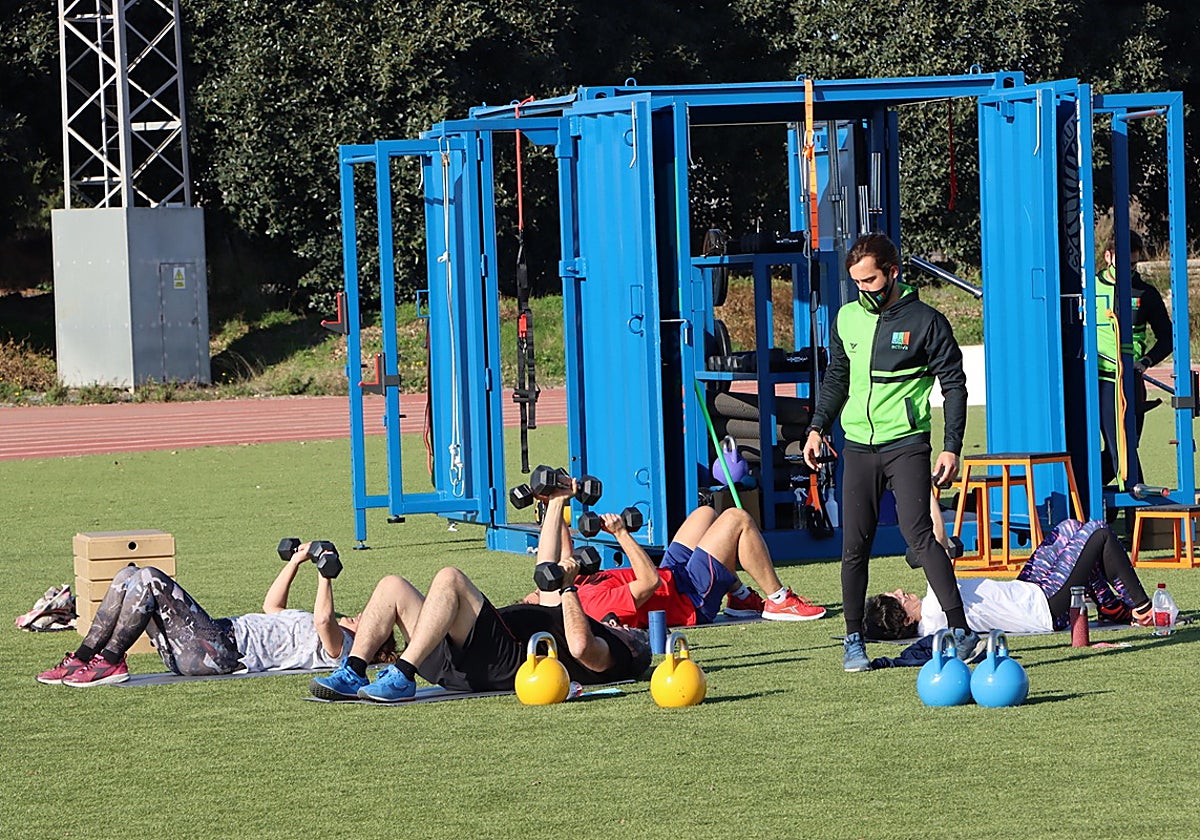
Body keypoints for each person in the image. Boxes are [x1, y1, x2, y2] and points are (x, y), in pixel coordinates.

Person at [802, 232, 975, 672]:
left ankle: (961, 630)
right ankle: (853, 640)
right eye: (857, 283)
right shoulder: (845, 319)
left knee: (920, 536)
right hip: (857, 446)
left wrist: (951, 447)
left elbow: (954, 384)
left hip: (907, 445)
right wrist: (817, 427)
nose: (864, 290)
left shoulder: (926, 321)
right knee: (853, 547)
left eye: (871, 281)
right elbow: (838, 377)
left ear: (893, 273)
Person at [36, 541, 394, 687]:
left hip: (221, 651)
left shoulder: (344, 649)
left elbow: (322, 620)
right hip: (202, 644)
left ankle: (111, 661)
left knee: (150, 580)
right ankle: (82, 659)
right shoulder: (329, 627)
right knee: (128, 575)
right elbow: (271, 606)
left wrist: (324, 576)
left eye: (370, 617)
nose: (365, 612)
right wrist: (298, 561)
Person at [310, 562, 651, 703]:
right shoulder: (579, 619)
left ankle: (403, 674)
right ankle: (354, 671)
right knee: (392, 586)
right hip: (456, 653)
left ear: (630, 642)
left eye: (625, 627)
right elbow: (545, 562)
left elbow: (580, 647)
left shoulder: (617, 652)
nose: (615, 620)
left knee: (450, 578)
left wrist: (569, 587)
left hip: (502, 663)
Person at [526, 484, 826, 626]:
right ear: (545, 606)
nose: (531, 592)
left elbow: (558, 554)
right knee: (736, 519)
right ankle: (778, 600)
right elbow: (649, 582)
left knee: (704, 513)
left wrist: (556, 499)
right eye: (528, 599)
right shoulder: (589, 605)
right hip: (689, 598)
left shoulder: (571, 587)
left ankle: (738, 595)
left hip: (676, 577)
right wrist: (621, 534)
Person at [865, 518, 1154, 640]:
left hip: (1029, 588)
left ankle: (1110, 607)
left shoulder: (931, 612)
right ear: (905, 620)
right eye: (898, 597)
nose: (901, 590)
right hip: (1045, 607)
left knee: (1069, 528)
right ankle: (1142, 609)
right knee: (1099, 535)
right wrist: (923, 486)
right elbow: (938, 540)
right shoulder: (934, 610)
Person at [1095, 229, 1173, 491]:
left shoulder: (1146, 293)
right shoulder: (1089, 287)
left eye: (1133, 264)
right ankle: (1135, 511)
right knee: (1117, 448)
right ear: (1108, 256)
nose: (1129, 270)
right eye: (1125, 263)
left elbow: (1168, 338)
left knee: (1125, 448)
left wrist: (1146, 362)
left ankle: (1113, 504)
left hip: (1128, 382)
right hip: (1098, 381)